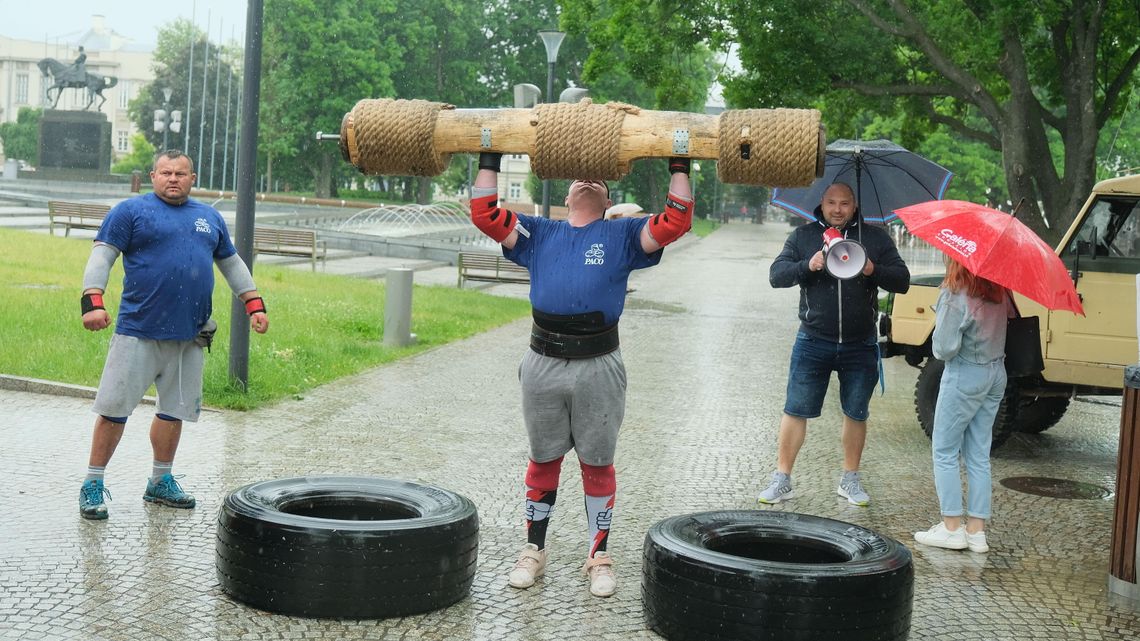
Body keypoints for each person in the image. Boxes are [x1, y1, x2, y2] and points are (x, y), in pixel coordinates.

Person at [468, 153, 693, 597]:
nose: (587, 178)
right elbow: (485, 213)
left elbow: (675, 221)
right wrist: (489, 157)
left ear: (608, 200)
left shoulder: (623, 235)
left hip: (599, 364)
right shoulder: (538, 233)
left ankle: (599, 555)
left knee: (597, 462)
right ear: (567, 195)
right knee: (543, 458)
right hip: (543, 362)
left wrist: (679, 165)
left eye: (598, 180)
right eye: (577, 177)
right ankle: (533, 550)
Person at [77, 150, 269, 521]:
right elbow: (102, 256)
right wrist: (92, 301)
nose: (173, 179)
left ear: (192, 178)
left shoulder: (208, 217)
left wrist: (254, 304)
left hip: (190, 336)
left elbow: (231, 263)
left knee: (173, 411)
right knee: (114, 410)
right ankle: (92, 483)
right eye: (166, 172)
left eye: (181, 173)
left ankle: (160, 481)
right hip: (138, 331)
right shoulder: (130, 212)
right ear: (153, 175)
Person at [759, 182, 910, 506]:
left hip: (860, 343)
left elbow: (903, 280)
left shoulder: (875, 238)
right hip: (813, 340)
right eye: (831, 203)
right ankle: (782, 478)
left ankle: (850, 479)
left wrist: (873, 269)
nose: (838, 209)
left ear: (855, 206)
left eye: (844, 203)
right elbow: (776, 275)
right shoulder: (803, 237)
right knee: (795, 409)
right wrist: (807, 265)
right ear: (822, 204)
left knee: (856, 412)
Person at [913, 260, 1011, 552]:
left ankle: (952, 528)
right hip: (996, 374)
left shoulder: (956, 294)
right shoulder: (999, 291)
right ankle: (976, 531)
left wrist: (943, 313)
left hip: (966, 375)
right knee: (979, 453)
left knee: (944, 450)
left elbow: (943, 349)